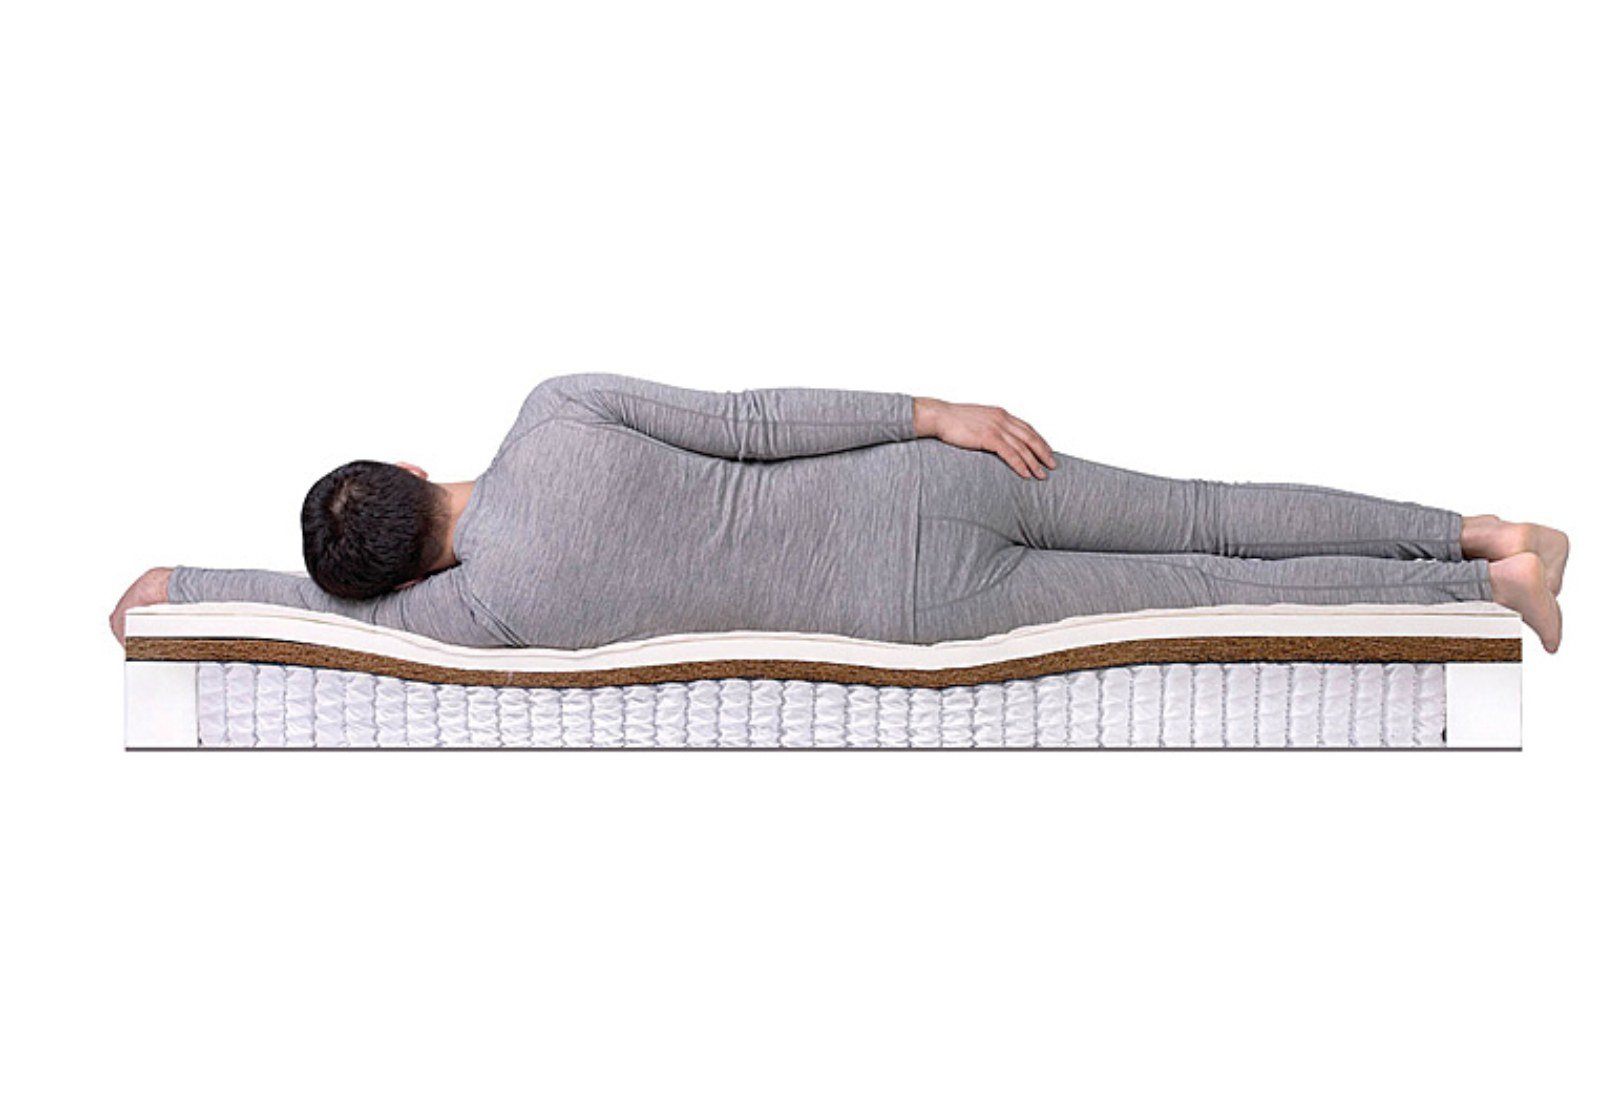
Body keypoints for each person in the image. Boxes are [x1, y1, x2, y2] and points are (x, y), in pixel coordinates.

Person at [110, 374, 1569, 652]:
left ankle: (1487, 597)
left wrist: (191, 586)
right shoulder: (553, 416)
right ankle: (1485, 538)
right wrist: (937, 414)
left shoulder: (484, 614)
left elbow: (338, 621)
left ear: (392, 578)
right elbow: (758, 418)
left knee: (1201, 592)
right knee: (1212, 514)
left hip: (922, 609)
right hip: (925, 479)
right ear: (408, 465)